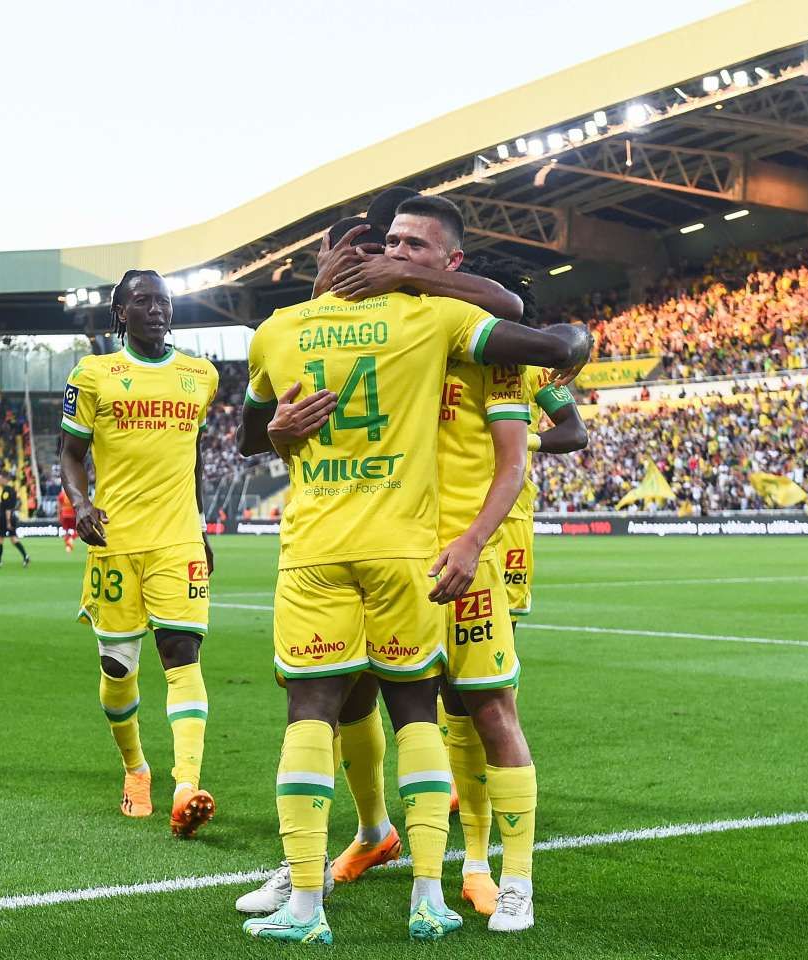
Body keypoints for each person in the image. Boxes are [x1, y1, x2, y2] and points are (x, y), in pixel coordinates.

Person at [234, 194, 588, 944]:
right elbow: (264, 418)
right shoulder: (386, 329)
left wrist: (471, 542)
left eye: (409, 247)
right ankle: (358, 840)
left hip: (466, 555)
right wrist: (277, 422)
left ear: (449, 263)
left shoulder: (475, 341)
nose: (389, 254)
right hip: (386, 549)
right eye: (385, 242)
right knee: (348, 706)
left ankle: (498, 872)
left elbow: (542, 394)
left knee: (483, 711)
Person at [59, 270, 220, 838]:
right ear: (120, 312)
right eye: (143, 301)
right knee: (117, 667)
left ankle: (186, 786)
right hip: (116, 540)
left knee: (182, 655)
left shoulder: (200, 375)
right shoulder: (94, 374)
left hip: (178, 540)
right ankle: (136, 769)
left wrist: (201, 529)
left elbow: (196, 457)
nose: (156, 309)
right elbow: (71, 452)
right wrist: (80, 502)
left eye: (164, 301)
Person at [0, 471, 30, 568]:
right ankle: (25, 556)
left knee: (0, 539)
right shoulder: (12, 489)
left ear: (5, 479)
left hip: (5, 518)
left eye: (0, 479)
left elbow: (7, 507)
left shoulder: (6, 490)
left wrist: (8, 522)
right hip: (12, 516)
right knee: (13, 539)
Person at [57, 487, 77, 553]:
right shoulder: (73, 494)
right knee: (77, 530)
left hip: (64, 515)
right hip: (72, 515)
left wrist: (59, 516)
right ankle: (71, 539)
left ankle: (68, 546)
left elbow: (59, 507)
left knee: (66, 532)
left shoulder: (61, 495)